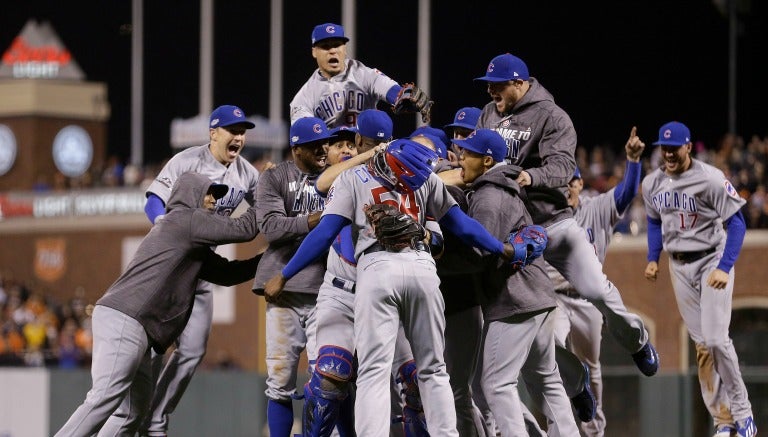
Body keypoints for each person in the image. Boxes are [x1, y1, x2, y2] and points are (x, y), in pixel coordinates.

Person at [263, 139, 522, 436]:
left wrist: (284, 273)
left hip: (377, 268)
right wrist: (503, 250)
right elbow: (463, 226)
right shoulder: (420, 180)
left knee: (376, 372)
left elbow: (324, 232)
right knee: (434, 370)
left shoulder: (359, 178)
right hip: (413, 273)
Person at [473, 52, 659, 377]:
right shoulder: (489, 114)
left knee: (598, 291)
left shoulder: (552, 115)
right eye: (488, 85)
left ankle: (637, 341)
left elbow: (561, 166)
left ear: (519, 82)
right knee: (532, 326)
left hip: (555, 224)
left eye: (497, 85)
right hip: (518, 233)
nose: (490, 91)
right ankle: (575, 382)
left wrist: (532, 176)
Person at [55, 172, 261, 436]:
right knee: (104, 397)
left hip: (133, 325)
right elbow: (244, 229)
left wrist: (266, 261)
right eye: (209, 193)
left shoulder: (189, 238)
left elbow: (228, 274)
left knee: (132, 411)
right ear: (191, 195)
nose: (213, 201)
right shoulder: (186, 218)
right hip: (126, 319)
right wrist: (266, 197)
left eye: (216, 195)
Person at [128, 104, 260, 436]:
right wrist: (167, 227)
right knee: (155, 348)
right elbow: (153, 200)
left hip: (204, 267)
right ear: (214, 133)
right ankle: (135, 417)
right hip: (172, 267)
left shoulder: (246, 173)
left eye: (242, 132)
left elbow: (267, 207)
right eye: (233, 130)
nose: (239, 138)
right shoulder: (187, 161)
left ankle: (156, 418)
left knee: (192, 351)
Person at [454, 128, 579, 435]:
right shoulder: (506, 187)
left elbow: (479, 254)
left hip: (515, 299)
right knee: (547, 380)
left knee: (496, 384)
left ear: (486, 161)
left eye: (467, 154)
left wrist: (438, 256)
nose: (460, 158)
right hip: (540, 295)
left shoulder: (488, 196)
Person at [642, 121, 756, 437]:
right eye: (663, 148)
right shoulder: (652, 183)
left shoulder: (710, 179)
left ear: (688, 147)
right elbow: (653, 222)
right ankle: (723, 421)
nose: (668, 153)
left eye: (674, 147)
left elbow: (737, 224)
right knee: (703, 347)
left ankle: (743, 413)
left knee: (718, 339)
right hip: (679, 266)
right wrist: (653, 258)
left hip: (711, 260)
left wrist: (725, 265)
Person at [548, 127, 646, 435]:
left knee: (592, 367)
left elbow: (627, 193)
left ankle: (594, 430)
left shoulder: (595, 208)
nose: (565, 187)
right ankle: (559, 428)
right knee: (548, 349)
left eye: (569, 181)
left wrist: (633, 161)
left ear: (579, 182)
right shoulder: (543, 213)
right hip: (553, 299)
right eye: (559, 182)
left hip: (586, 299)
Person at [251, 116, 331, 437]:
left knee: (328, 377)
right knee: (280, 381)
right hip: (283, 291)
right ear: (296, 149)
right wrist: (313, 220)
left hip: (326, 290)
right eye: (314, 146)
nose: (322, 149)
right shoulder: (275, 178)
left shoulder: (334, 175)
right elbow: (270, 227)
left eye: (324, 142)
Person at [290, 23, 425, 129]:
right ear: (314, 52)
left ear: (345, 49)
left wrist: (399, 96)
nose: (332, 51)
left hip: (367, 146)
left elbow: (389, 89)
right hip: (332, 155)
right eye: (325, 47)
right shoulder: (305, 95)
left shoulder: (363, 73)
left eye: (337, 45)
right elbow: (302, 131)